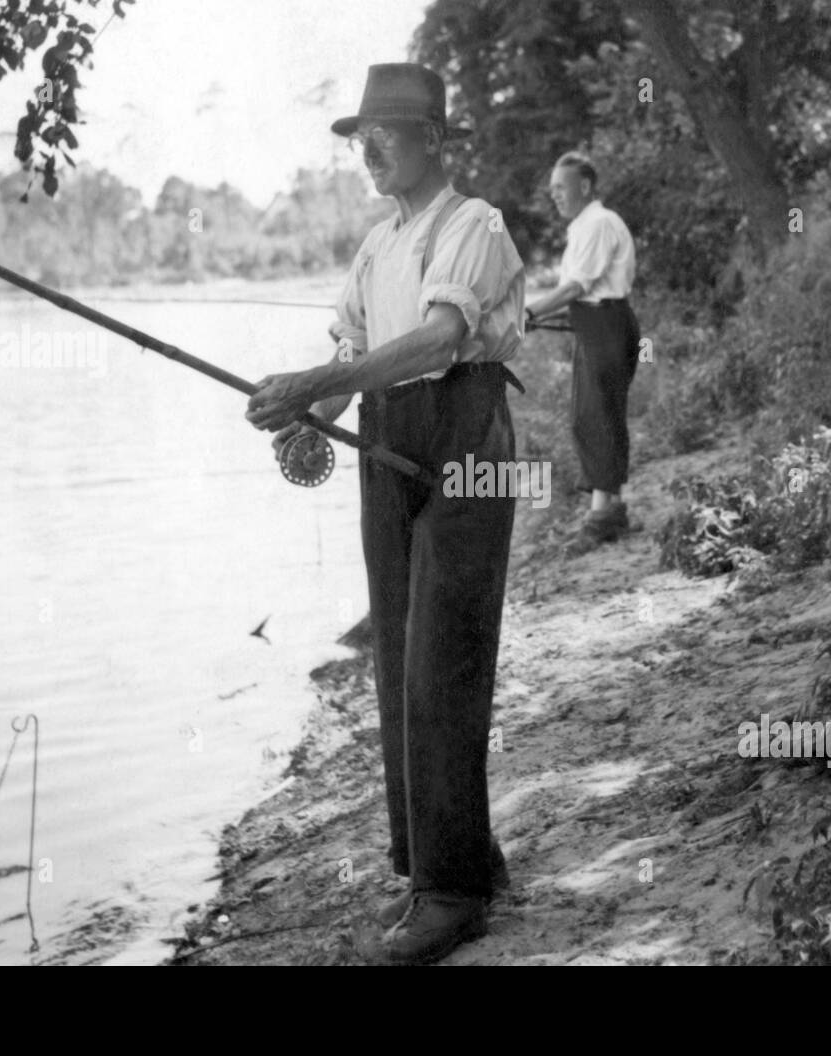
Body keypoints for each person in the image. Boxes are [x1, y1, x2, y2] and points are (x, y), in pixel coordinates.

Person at [245, 63, 525, 964]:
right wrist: (306, 417)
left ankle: (453, 897)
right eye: (360, 137)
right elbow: (356, 348)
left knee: (444, 655)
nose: (369, 150)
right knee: (400, 656)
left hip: (466, 435)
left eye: (388, 134)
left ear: (436, 141)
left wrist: (321, 385)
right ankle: (448, 854)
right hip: (388, 439)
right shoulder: (375, 247)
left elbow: (442, 340)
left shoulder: (472, 223)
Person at [526, 152, 640, 554]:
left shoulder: (597, 223)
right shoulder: (584, 225)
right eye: (552, 189)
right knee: (594, 414)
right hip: (596, 324)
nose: (555, 195)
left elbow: (575, 287)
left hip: (606, 323)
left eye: (562, 187)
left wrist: (528, 311)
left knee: (595, 416)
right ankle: (614, 507)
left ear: (586, 186)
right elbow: (575, 291)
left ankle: (599, 517)